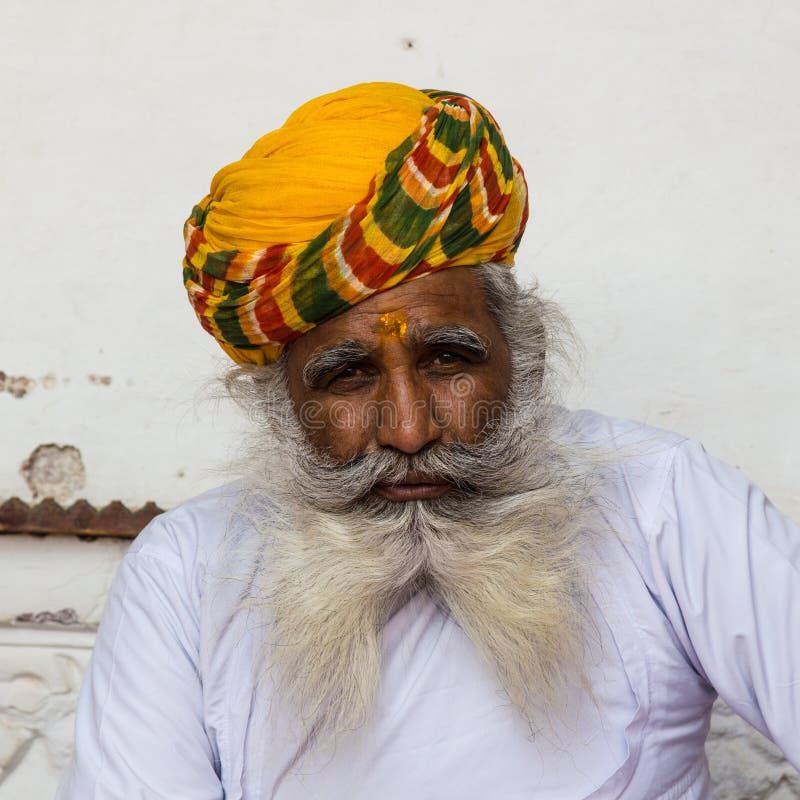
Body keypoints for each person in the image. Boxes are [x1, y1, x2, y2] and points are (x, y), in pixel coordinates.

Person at [56, 82, 799, 799]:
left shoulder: (662, 502)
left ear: (522, 353)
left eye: (449, 359)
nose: (410, 429)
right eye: (346, 377)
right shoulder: (188, 569)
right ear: (280, 402)